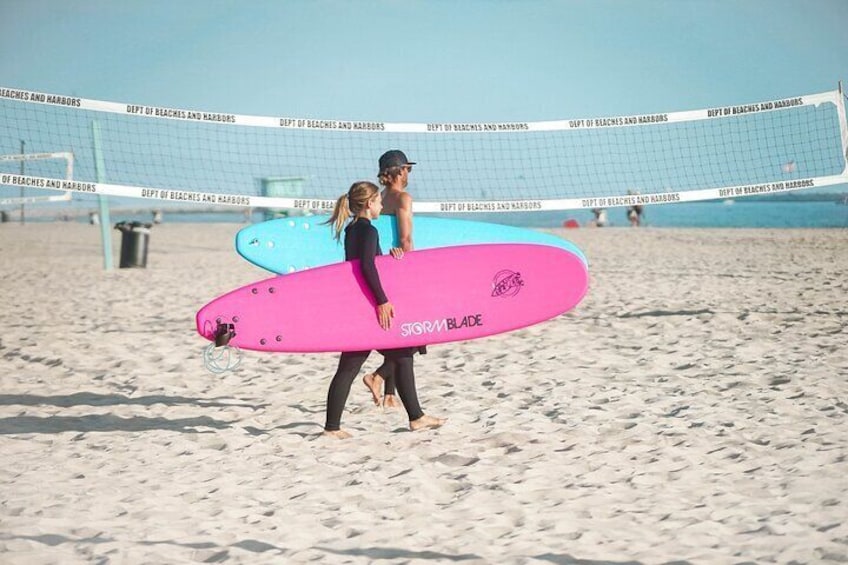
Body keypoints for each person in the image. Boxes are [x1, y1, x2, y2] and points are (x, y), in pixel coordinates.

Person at [322, 180, 444, 439]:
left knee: (379, 360)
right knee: (396, 356)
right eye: (378, 201)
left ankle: (334, 426)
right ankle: (415, 417)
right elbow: (367, 267)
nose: (381, 205)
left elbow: (363, 264)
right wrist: (382, 301)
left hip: (358, 304)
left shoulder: (352, 230)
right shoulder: (369, 231)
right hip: (369, 307)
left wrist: (391, 259)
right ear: (369, 204)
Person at [362, 150, 422, 409]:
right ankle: (378, 376)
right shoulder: (403, 198)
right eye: (407, 169)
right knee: (412, 334)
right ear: (398, 171)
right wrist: (412, 268)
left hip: (382, 266)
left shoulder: (380, 199)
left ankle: (389, 394)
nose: (409, 173)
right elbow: (405, 239)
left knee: (396, 331)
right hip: (400, 265)